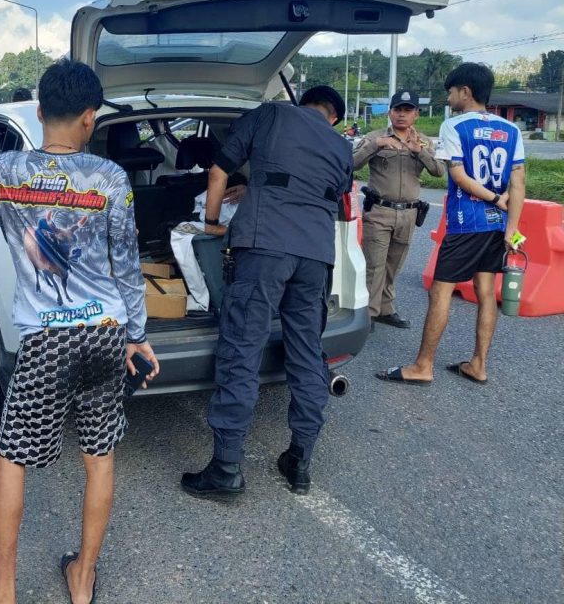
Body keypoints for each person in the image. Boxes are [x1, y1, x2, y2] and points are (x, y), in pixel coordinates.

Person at [0, 60, 159, 604]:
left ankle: (3, 592)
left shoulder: (5, 168)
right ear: (91, 118)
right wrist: (137, 335)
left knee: (13, 456)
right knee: (99, 454)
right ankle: (83, 580)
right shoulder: (111, 178)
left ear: (41, 111)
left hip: (47, 337)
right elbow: (126, 263)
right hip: (106, 331)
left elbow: (9, 225)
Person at [181, 85, 353, 498]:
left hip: (264, 246)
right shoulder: (341, 146)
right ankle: (300, 462)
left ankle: (226, 468)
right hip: (316, 256)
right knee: (307, 353)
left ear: (302, 103)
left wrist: (211, 225)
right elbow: (320, 193)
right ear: (333, 117)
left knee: (242, 349)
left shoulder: (273, 114)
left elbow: (218, 172)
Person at [377, 63, 525, 386]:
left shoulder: (454, 126)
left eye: (451, 91)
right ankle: (478, 364)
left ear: (465, 92)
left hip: (465, 223)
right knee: (486, 292)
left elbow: (457, 175)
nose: (449, 98)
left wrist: (492, 198)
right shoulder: (511, 130)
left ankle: (423, 365)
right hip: (497, 226)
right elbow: (518, 182)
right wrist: (511, 226)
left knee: (440, 291)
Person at [354, 91, 445, 330]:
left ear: (416, 114)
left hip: (408, 213)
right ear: (390, 112)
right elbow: (351, 164)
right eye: (397, 109)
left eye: (407, 110)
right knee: (374, 265)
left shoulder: (423, 141)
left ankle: (385, 309)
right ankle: (368, 314)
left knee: (394, 264)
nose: (402, 114)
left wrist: (418, 151)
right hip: (380, 211)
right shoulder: (375, 137)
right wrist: (376, 146)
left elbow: (439, 171)